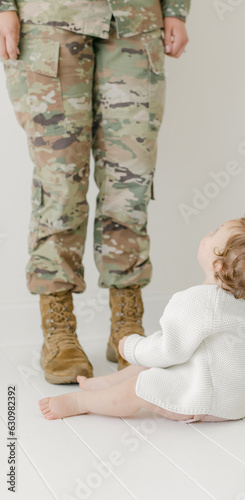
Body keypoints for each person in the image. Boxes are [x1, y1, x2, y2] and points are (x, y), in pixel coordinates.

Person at [0, 0, 191, 380]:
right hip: (50, 21)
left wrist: (175, 9)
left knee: (130, 182)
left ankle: (127, 324)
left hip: (135, 23)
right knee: (60, 182)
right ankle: (58, 329)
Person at [38, 215, 245, 423]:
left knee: (142, 384)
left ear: (218, 265)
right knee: (157, 363)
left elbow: (169, 350)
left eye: (216, 233)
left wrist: (132, 347)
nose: (209, 232)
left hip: (208, 400)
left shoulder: (200, 302)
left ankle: (81, 402)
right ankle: (106, 383)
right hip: (240, 399)